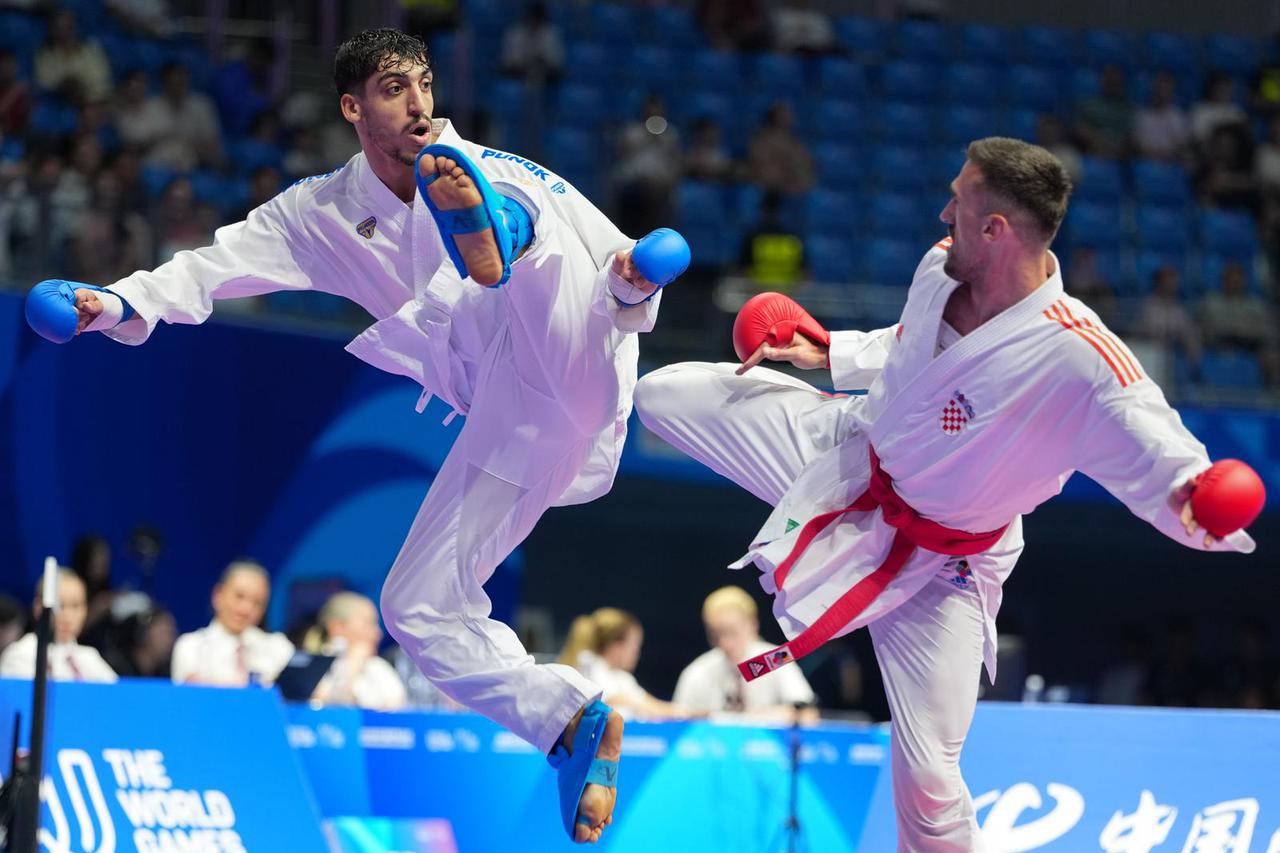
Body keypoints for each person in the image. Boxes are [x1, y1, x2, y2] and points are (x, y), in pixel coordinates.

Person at [27, 28, 683, 844]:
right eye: (393, 89)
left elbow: (622, 266)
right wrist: (121, 302)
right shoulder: (321, 212)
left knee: (528, 227)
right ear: (352, 107)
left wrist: (632, 285)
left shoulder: (511, 165)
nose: (417, 104)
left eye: (424, 85)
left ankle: (499, 232)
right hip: (515, 424)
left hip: (574, 357)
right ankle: (569, 717)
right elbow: (212, 263)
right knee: (416, 606)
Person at [633, 137, 1256, 851]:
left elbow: (1150, 429)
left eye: (959, 202)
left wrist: (1195, 490)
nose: (942, 211)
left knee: (929, 781)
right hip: (846, 458)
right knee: (663, 393)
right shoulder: (939, 266)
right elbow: (908, 346)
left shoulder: (1079, 358)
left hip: (943, 563)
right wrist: (825, 349)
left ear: (996, 230)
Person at [673, 586, 816, 720]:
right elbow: (678, 721)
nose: (725, 643)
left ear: (753, 625)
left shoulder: (776, 658)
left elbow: (808, 713)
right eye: (716, 634)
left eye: (733, 632)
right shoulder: (698, 670)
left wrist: (758, 718)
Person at [170, 560, 295, 686]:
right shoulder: (191, 646)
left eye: (257, 602)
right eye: (239, 596)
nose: (246, 609)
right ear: (218, 595)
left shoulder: (279, 647)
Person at [558, 607, 693, 719]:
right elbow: (611, 699)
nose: (637, 653)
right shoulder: (587, 668)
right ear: (617, 646)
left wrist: (690, 713)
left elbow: (655, 706)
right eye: (635, 646)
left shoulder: (622, 679)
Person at [0, 570, 117, 682]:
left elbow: (120, 696)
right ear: (38, 608)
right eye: (60, 605)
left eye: (76, 606)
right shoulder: (21, 656)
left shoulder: (90, 658)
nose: (68, 616)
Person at [305, 591, 407, 711]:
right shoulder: (310, 667)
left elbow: (397, 713)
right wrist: (353, 665)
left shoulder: (378, 667)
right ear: (337, 627)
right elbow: (330, 711)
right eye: (368, 624)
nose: (378, 634)